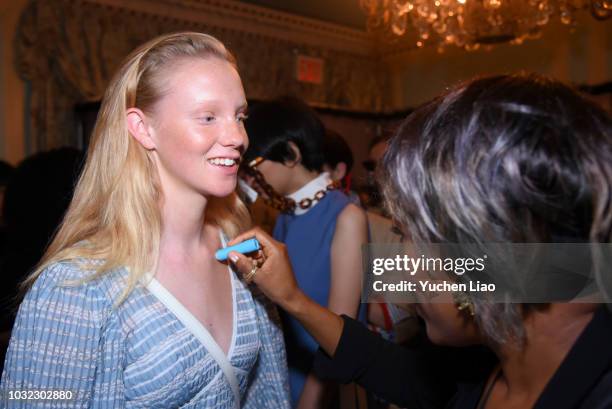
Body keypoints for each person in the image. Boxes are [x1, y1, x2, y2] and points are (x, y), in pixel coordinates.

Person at [228, 74, 612, 409]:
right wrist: (291, 298)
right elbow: (384, 365)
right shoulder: (480, 367)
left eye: (413, 237)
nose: (405, 273)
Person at [0, 32, 290, 408]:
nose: (237, 136)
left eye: (239, 116)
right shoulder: (77, 284)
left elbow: (268, 393)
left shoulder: (238, 248)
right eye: (207, 117)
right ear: (142, 127)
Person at [243, 98, 368, 408]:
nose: (253, 179)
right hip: (284, 373)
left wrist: (309, 401)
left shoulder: (346, 217)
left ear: (291, 154)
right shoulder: (287, 212)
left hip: (323, 383)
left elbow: (339, 333)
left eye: (256, 166)